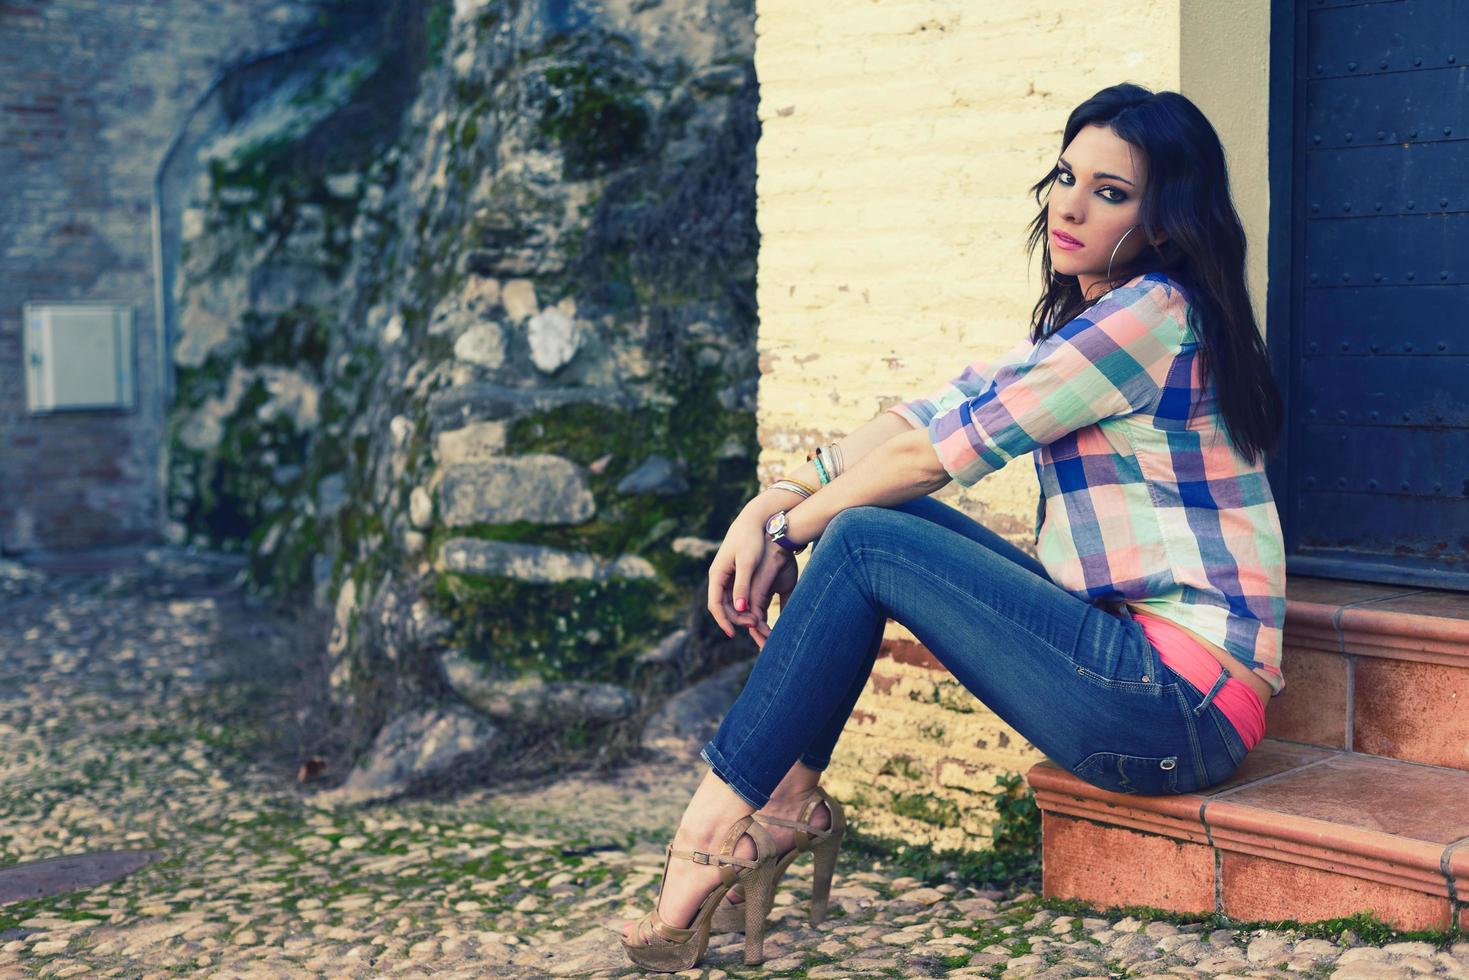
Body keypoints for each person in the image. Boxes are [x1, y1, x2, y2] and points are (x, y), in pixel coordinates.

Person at [619, 81, 1287, 972]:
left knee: (863, 536)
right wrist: (778, 495)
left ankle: (711, 830)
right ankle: (782, 802)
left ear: (1165, 221)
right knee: (870, 523)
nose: (1070, 205)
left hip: (1173, 708)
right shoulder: (1106, 318)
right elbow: (937, 411)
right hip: (1141, 674)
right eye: (1064, 176)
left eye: (1110, 192)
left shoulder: (1150, 316)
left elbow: (941, 452)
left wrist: (789, 535)